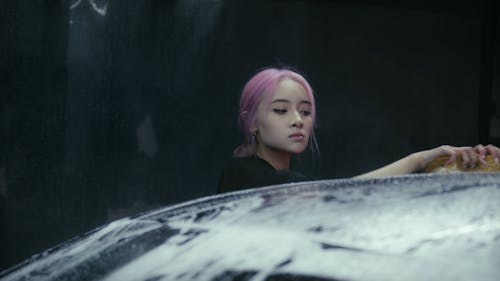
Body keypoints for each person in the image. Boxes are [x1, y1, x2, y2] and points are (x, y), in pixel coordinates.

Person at [217, 67, 500, 193]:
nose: (298, 120)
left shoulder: (278, 178)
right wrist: (419, 160)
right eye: (281, 110)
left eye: (305, 111)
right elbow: (338, 196)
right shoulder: (242, 174)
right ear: (251, 120)